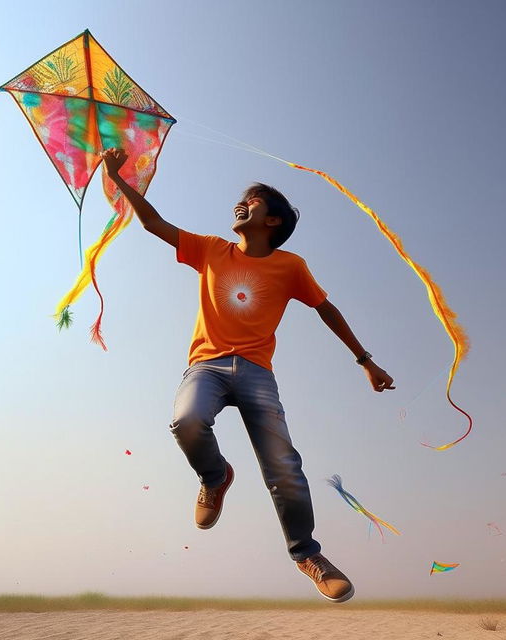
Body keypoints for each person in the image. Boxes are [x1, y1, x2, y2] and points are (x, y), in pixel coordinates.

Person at [101, 148, 395, 603]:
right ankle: (215, 478)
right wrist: (120, 180)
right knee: (187, 421)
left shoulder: (290, 266)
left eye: (253, 201)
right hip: (207, 365)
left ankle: (307, 555)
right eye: (243, 199)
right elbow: (154, 224)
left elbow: (326, 310)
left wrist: (365, 361)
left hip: (258, 373)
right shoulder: (212, 249)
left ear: (272, 221)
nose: (242, 204)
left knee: (283, 465)